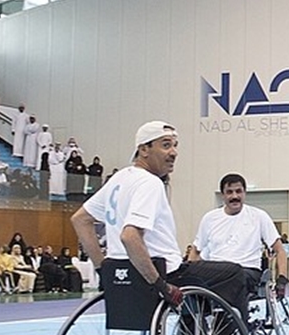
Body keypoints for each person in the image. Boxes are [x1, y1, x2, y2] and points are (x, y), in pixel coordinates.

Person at [71, 121, 250, 322]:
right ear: (143, 149)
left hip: (123, 274)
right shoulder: (149, 183)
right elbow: (130, 237)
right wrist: (159, 284)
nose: (174, 152)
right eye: (166, 145)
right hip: (164, 272)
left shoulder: (119, 178)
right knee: (234, 274)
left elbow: (80, 219)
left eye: (175, 145)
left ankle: (192, 331)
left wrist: (104, 270)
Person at [189, 172, 289, 301]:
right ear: (223, 195)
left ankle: (228, 318)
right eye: (229, 192)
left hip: (246, 271)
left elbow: (280, 250)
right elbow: (195, 250)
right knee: (188, 281)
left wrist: (282, 279)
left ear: (244, 193)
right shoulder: (209, 219)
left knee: (234, 276)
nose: (234, 196)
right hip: (217, 270)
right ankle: (189, 320)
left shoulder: (259, 216)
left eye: (238, 191)